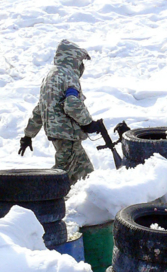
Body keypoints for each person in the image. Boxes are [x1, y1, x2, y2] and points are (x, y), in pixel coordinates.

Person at [19, 39, 104, 188]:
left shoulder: (49, 77)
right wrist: (88, 123)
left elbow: (40, 108)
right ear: (73, 59)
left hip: (57, 134)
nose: (81, 66)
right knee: (63, 174)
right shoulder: (68, 75)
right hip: (67, 134)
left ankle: (86, 202)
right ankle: (38, 196)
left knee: (84, 171)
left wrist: (28, 135)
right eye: (80, 61)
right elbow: (72, 104)